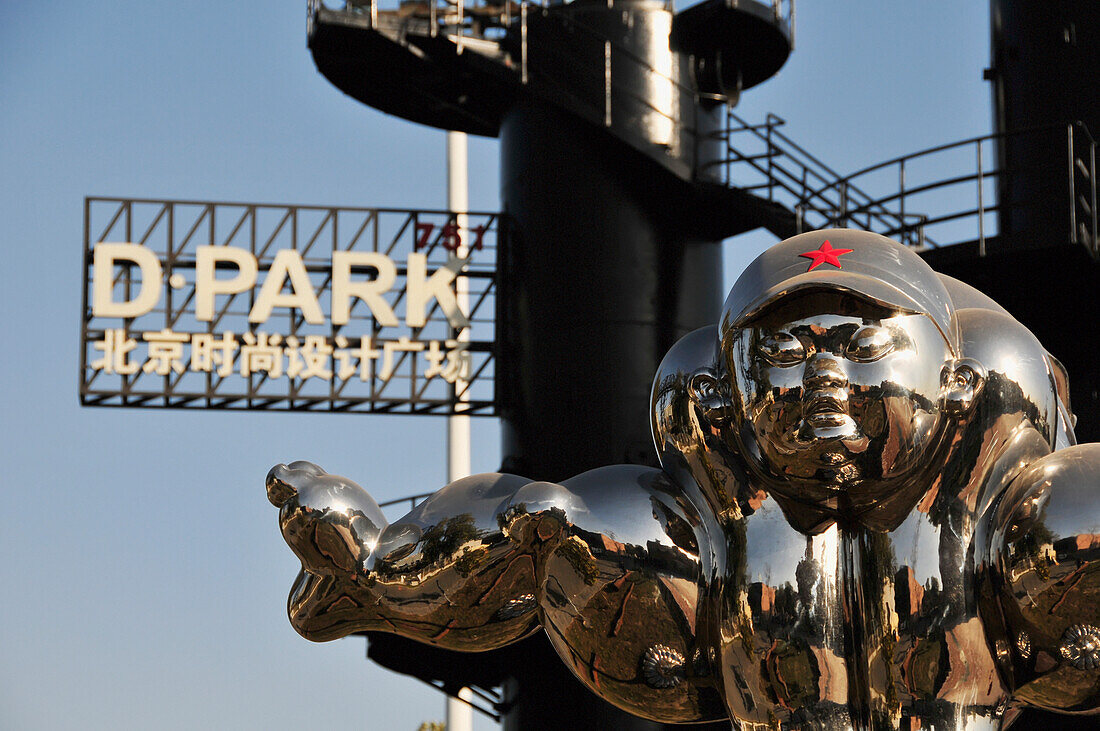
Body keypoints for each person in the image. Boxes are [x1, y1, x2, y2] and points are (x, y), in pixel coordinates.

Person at [267, 229, 1100, 729]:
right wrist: (385, 575)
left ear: (951, 379)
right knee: (552, 522)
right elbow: (534, 524)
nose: (823, 377)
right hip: (763, 682)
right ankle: (373, 572)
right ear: (728, 387)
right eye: (784, 352)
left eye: (860, 342)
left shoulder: (1005, 474)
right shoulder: (716, 485)